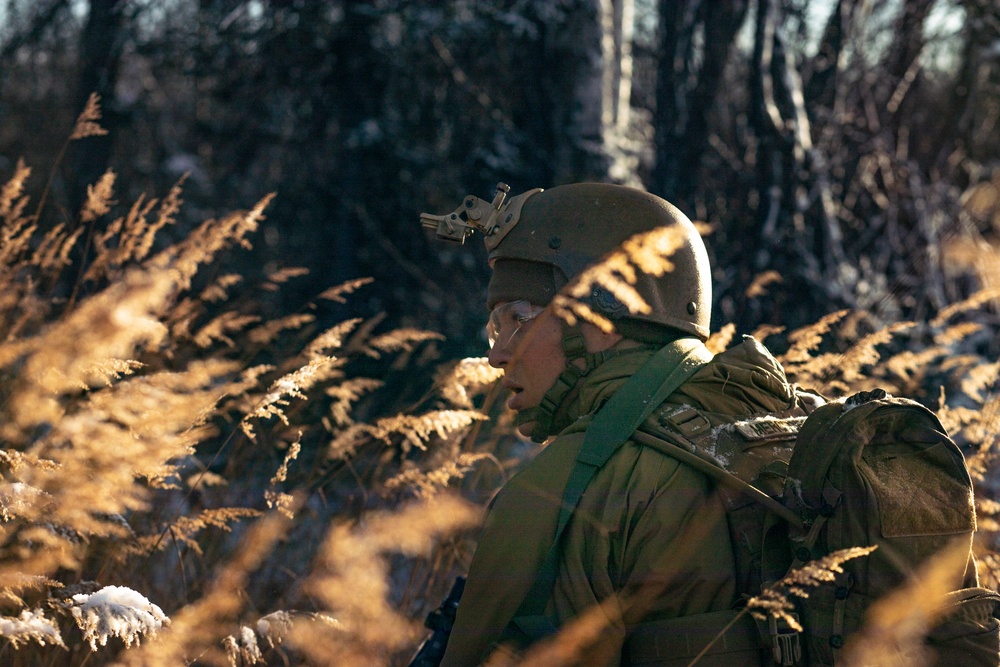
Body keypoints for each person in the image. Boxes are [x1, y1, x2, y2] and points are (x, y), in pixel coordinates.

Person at [426, 183, 810, 666]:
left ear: (600, 318)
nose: (498, 354)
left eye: (519, 317)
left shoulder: (559, 492)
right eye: (494, 327)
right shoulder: (790, 424)